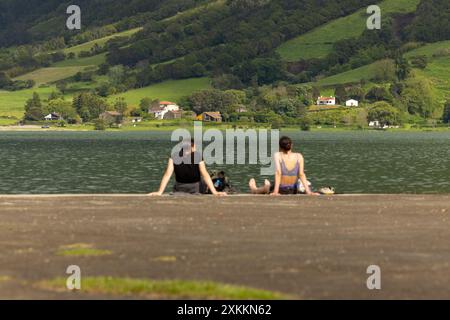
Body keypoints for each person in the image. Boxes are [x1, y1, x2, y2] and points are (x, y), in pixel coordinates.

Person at [149, 139, 226, 196]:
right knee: (203, 179)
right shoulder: (197, 156)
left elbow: (167, 174)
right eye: (195, 146)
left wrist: (160, 192)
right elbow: (205, 174)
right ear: (191, 147)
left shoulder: (173, 156)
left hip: (179, 188)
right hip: (195, 188)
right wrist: (214, 192)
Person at [249, 136, 319, 196]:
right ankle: (268, 185)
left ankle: (254, 189)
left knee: (267, 188)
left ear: (280, 147)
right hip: (293, 190)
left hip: (281, 189)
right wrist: (309, 192)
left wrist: (276, 192)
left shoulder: (278, 155)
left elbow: (278, 173)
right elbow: (301, 174)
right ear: (291, 145)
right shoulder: (299, 156)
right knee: (269, 186)